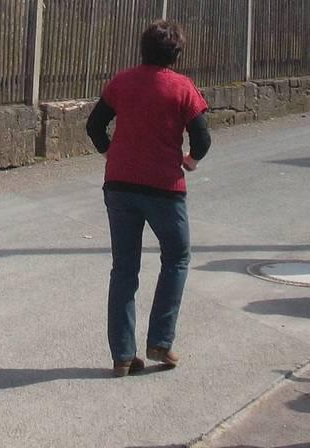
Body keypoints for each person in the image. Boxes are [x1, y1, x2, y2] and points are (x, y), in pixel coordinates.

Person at [85, 19, 211, 377]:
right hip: (164, 188)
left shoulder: (122, 82)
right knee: (177, 258)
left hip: (120, 186)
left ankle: (123, 355)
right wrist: (190, 160)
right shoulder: (183, 88)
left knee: (124, 269)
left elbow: (94, 126)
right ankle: (160, 341)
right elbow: (202, 139)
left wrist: (110, 152)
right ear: (177, 54)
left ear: (142, 49)